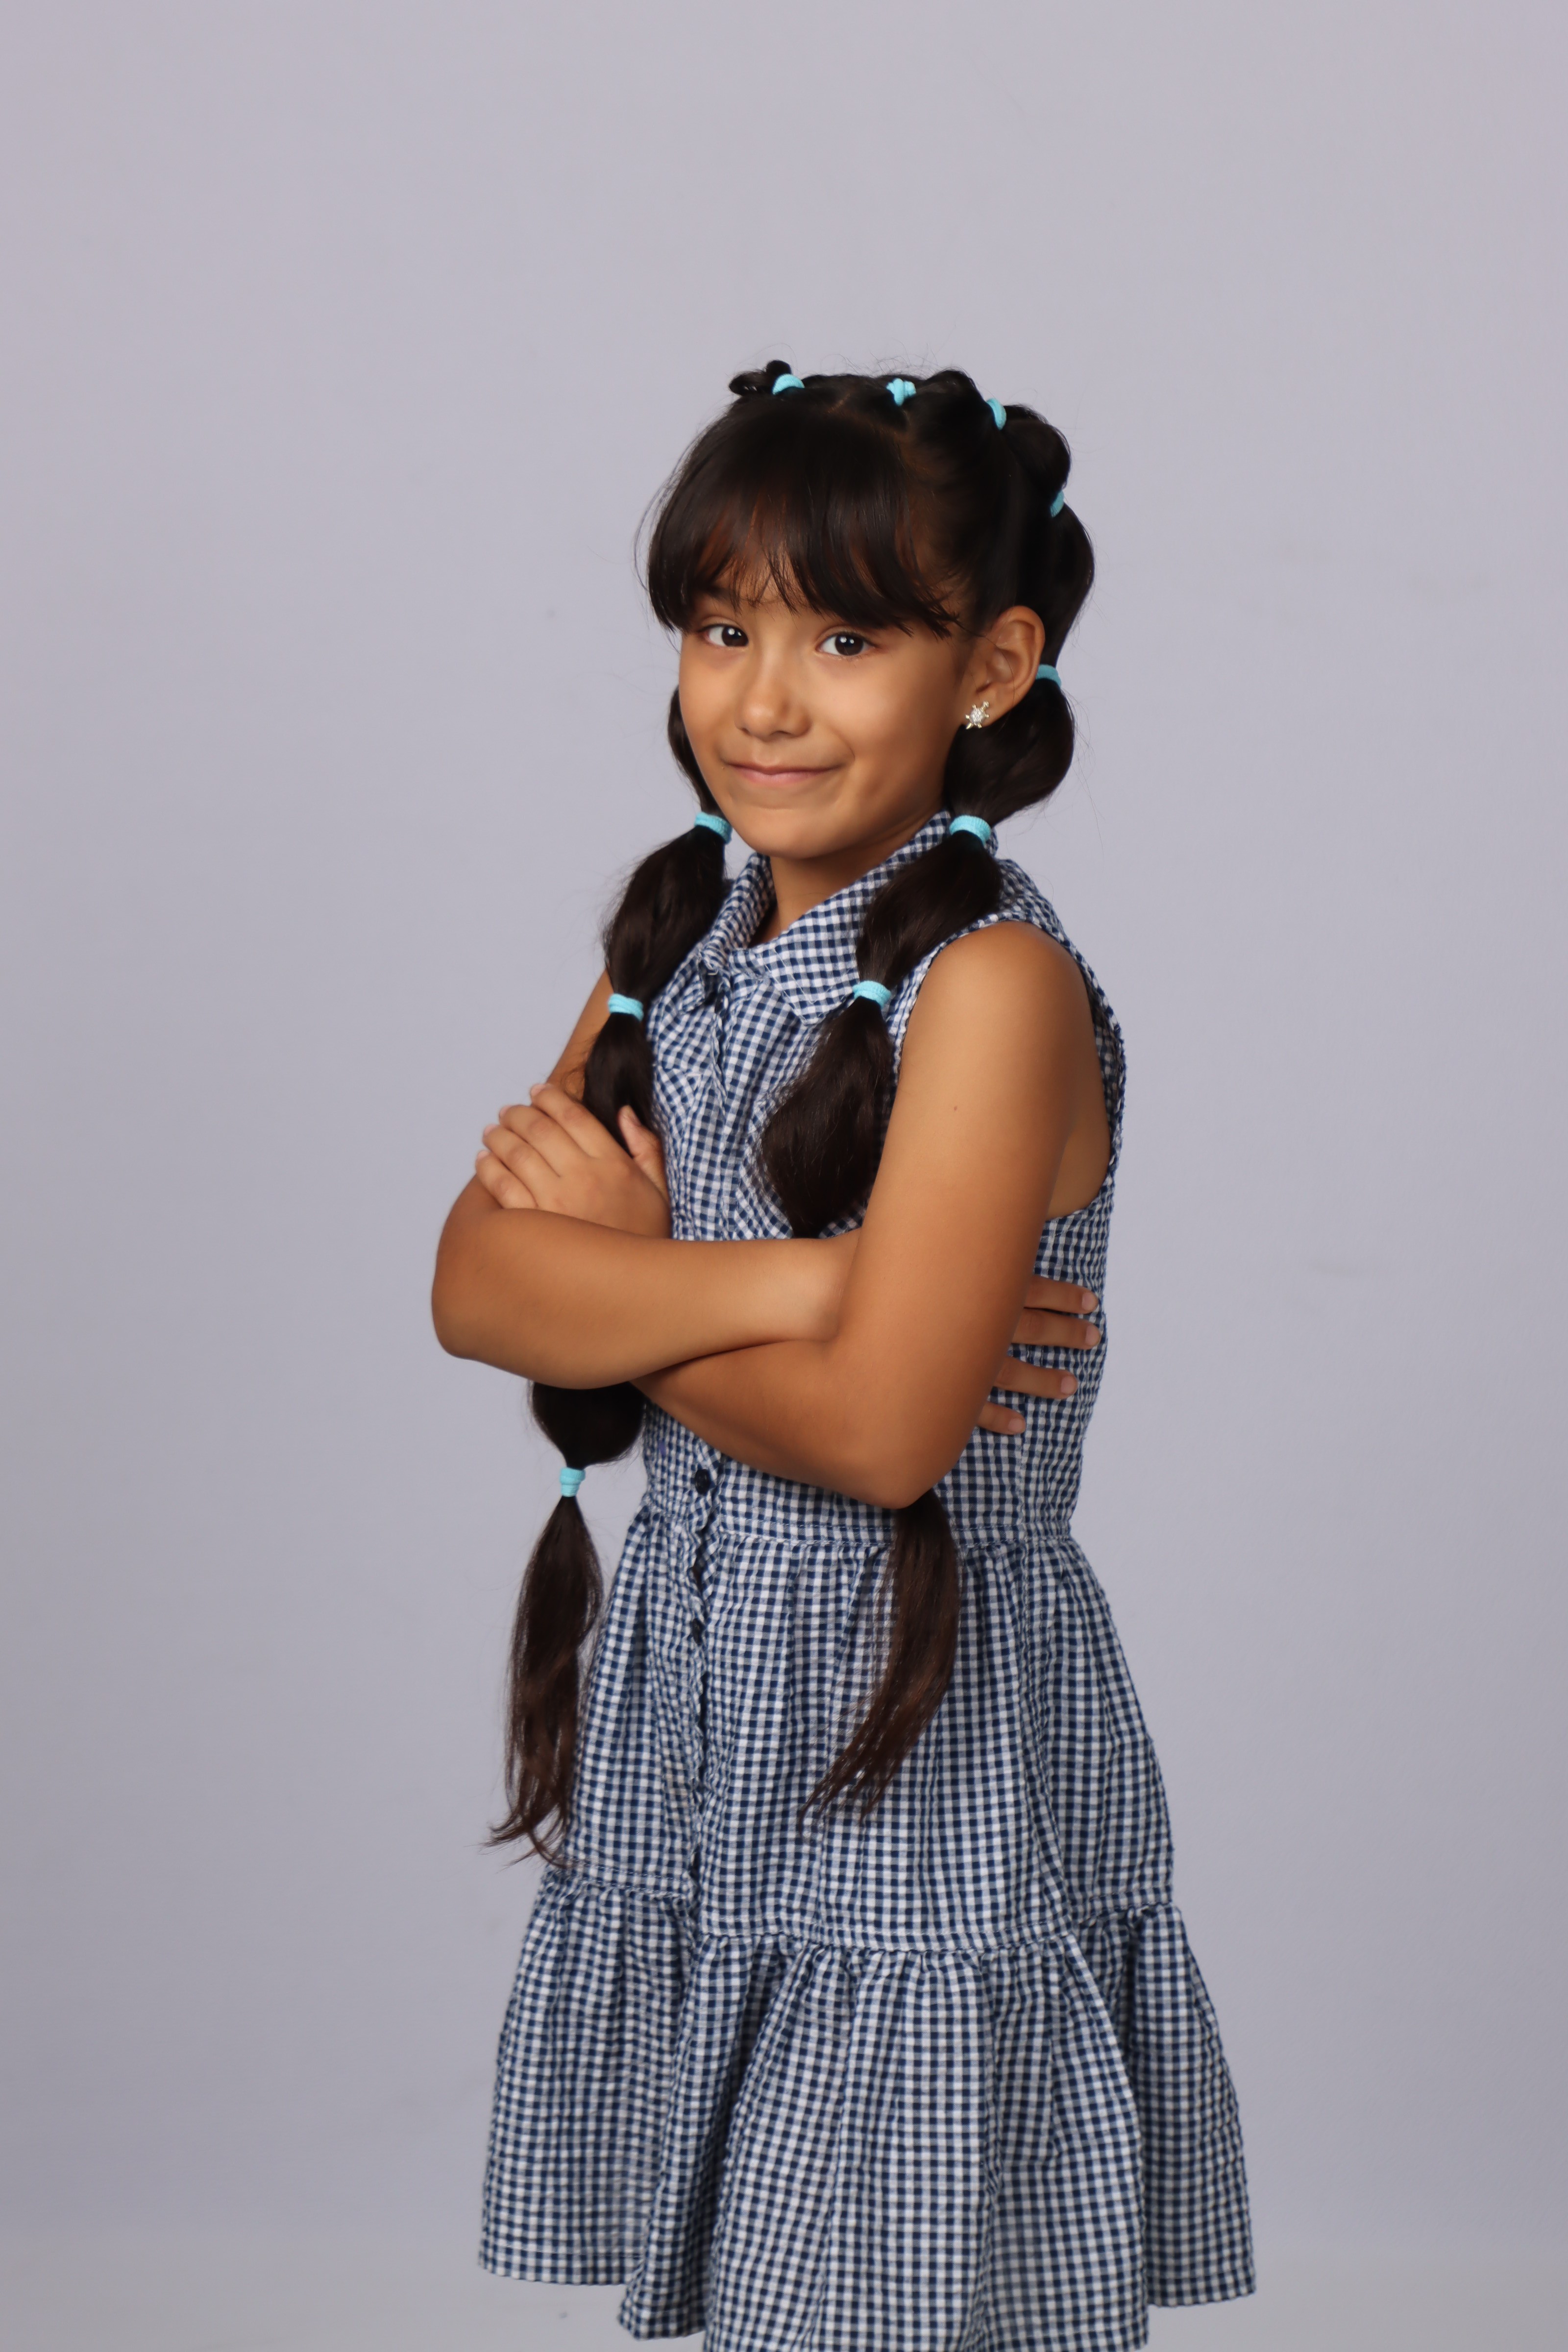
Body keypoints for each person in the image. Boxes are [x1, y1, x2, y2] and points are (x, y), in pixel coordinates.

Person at [432, 362, 1253, 2350]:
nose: (768, 701)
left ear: (991, 667)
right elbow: (476, 1286)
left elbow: (887, 1437)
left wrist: (640, 1283)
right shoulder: (677, 943)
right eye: (725, 631)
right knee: (760, 2273)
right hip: (708, 1689)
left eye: (848, 640)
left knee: (890, 2268)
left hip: (912, 1700)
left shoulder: (993, 984)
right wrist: (816, 1286)